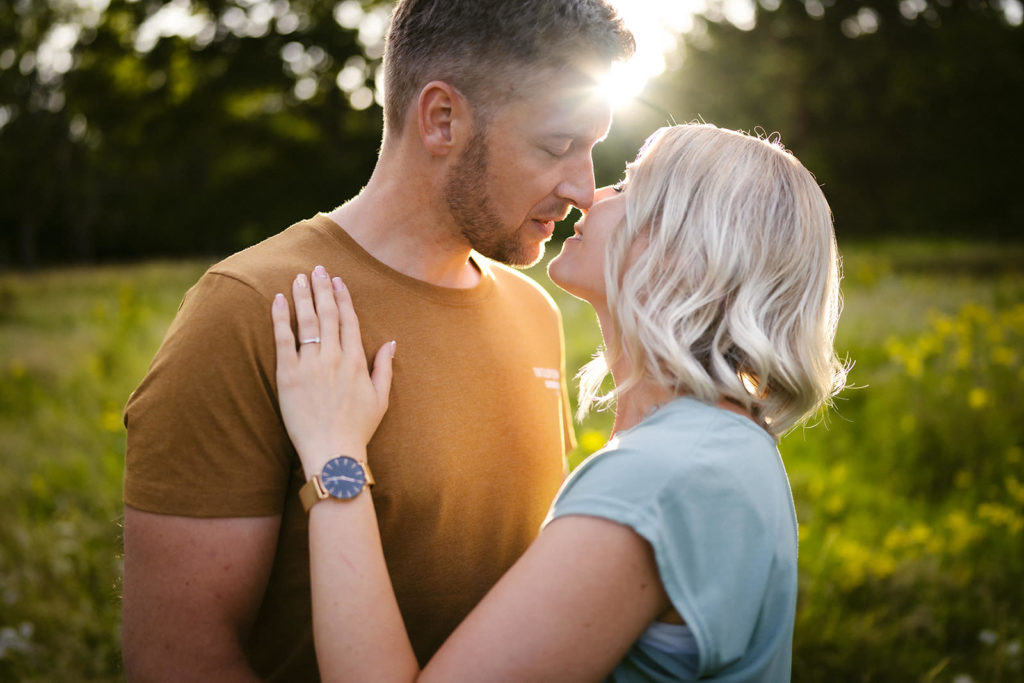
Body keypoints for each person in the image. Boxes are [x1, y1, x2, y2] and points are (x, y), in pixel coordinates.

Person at [120, 0, 635, 679]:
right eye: (557, 145)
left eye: (593, 148)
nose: (583, 188)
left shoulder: (532, 310)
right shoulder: (247, 311)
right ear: (442, 119)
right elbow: (176, 654)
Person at [271, 123, 849, 681]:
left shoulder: (657, 480)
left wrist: (333, 453)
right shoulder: (725, 443)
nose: (592, 195)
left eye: (628, 186)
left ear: (688, 250)